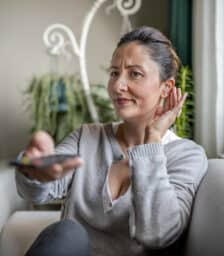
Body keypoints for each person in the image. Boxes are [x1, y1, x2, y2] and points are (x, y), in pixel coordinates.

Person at [15, 26, 208, 256]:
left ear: (166, 88)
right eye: (114, 73)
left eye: (135, 73)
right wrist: (34, 170)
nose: (118, 86)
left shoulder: (187, 155)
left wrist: (152, 142)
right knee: (66, 232)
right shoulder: (86, 138)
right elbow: (36, 192)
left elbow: (157, 234)